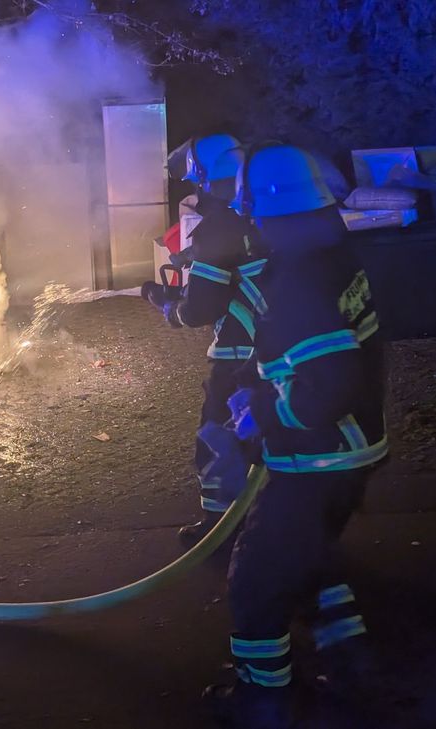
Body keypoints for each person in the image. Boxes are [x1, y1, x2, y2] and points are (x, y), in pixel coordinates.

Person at [203, 144, 389, 728]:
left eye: (254, 214)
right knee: (309, 559)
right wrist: (255, 380)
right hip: (354, 454)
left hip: (316, 460)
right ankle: (352, 665)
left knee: (256, 582)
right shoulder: (334, 258)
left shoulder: (298, 283)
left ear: (266, 212)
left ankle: (263, 704)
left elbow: (326, 385)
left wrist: (262, 408)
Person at [142, 134, 269, 541]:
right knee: (268, 436)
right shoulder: (265, 210)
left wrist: (169, 307)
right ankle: (267, 518)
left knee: (218, 434)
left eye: (197, 183)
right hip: (280, 345)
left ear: (207, 180)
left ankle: (219, 530)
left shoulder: (220, 227)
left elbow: (200, 308)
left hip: (238, 352)